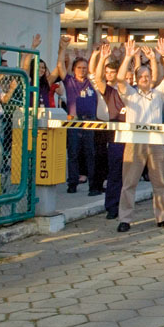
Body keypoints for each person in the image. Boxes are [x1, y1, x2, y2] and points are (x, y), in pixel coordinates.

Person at [115, 38, 164, 233]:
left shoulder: (158, 94)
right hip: (134, 143)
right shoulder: (129, 94)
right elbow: (119, 79)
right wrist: (128, 57)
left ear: (151, 78)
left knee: (159, 183)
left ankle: (163, 217)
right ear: (136, 78)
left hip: (156, 144)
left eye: (147, 76)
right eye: (141, 76)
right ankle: (125, 219)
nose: (144, 78)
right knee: (129, 184)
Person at [57, 36, 96, 193]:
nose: (82, 70)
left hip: (90, 121)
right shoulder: (69, 81)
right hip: (73, 120)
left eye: (84, 68)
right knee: (73, 153)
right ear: (74, 69)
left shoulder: (92, 82)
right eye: (79, 68)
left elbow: (96, 69)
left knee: (90, 154)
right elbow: (60, 66)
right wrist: (63, 49)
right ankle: (72, 183)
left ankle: (93, 185)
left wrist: (94, 53)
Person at [92, 43, 127, 220]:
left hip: (134, 139)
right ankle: (112, 207)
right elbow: (98, 79)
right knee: (115, 174)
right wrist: (103, 58)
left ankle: (127, 207)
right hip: (116, 137)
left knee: (130, 177)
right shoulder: (111, 93)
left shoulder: (135, 92)